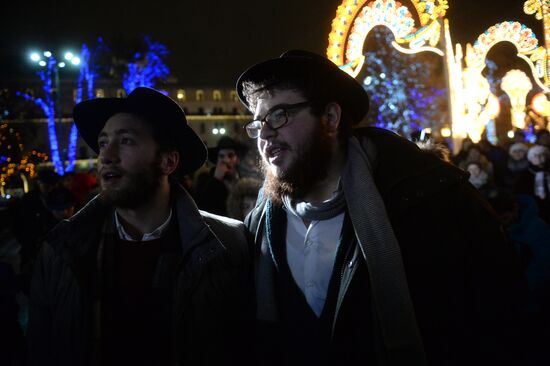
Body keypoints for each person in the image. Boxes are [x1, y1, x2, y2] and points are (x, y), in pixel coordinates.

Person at [236, 50, 526, 366]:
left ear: (330, 118)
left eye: (279, 115)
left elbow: (500, 317)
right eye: (257, 122)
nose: (264, 133)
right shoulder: (257, 224)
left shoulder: (430, 197)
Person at [27, 87, 252, 366]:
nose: (106, 155)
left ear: (168, 161)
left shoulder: (228, 244)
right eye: (103, 142)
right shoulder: (60, 250)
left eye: (126, 141)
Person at [195, 136, 248, 216]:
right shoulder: (205, 179)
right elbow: (202, 207)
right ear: (217, 159)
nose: (226, 160)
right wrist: (216, 180)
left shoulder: (245, 180)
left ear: (237, 159)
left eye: (230, 155)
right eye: (222, 156)